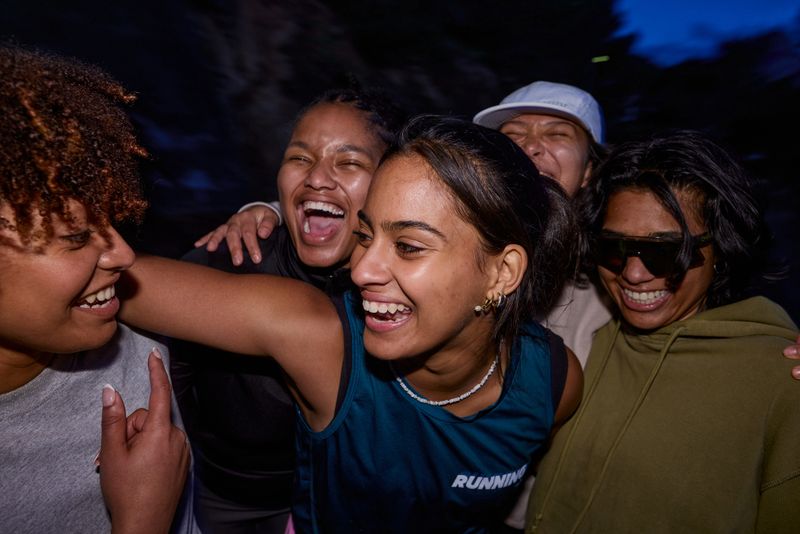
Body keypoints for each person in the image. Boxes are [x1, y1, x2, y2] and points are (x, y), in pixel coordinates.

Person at [119, 115, 583, 532]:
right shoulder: (327, 344)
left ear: (501, 273)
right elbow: (117, 276)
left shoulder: (555, 382)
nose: (362, 270)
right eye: (365, 235)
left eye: (409, 246)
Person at [528, 131, 800, 532]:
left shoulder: (781, 378)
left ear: (721, 249)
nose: (634, 274)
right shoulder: (591, 338)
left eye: (666, 251)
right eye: (614, 248)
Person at [171, 87, 404, 532]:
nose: (317, 178)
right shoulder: (227, 263)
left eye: (349, 162)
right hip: (219, 498)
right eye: (300, 158)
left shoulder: (401, 290)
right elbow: (171, 376)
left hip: (342, 501)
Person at [0, 44, 196, 532]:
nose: (123, 255)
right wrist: (142, 518)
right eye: (77, 237)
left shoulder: (126, 343)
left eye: (111, 218)